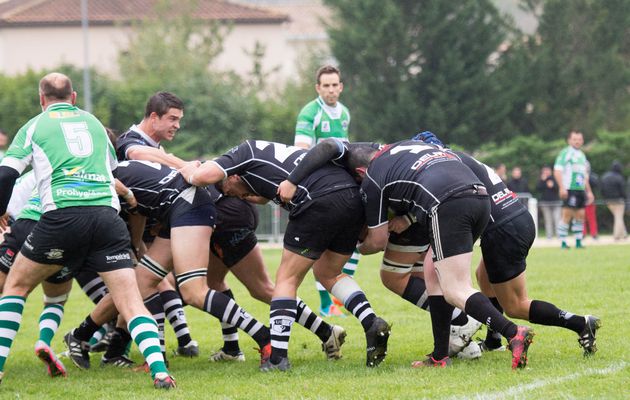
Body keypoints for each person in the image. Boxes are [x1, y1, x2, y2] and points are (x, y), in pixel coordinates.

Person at [0, 72, 174, 388]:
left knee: (15, 287)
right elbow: (112, 175)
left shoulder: (36, 125)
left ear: (42, 100)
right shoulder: (94, 123)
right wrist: (131, 199)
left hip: (62, 217)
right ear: (74, 97)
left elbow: (6, 174)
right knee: (131, 302)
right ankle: (160, 372)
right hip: (107, 218)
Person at [179, 140, 391, 371]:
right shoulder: (269, 159)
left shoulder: (243, 152)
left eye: (229, 191)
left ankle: (277, 358)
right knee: (328, 273)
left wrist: (189, 170)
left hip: (316, 198)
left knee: (286, 280)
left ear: (233, 175)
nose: (236, 196)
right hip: (351, 198)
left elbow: (203, 176)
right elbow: (262, 193)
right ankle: (370, 322)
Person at [339, 139, 534, 369]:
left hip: (449, 204)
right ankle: (439, 356)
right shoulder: (406, 146)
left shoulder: (372, 177)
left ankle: (513, 333)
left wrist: (352, 247)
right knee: (433, 274)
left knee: (455, 288)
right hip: (480, 197)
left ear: (361, 171)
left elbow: (377, 241)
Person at [116, 92, 199, 357]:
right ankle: (93, 339)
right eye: (172, 119)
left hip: (143, 228)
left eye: (179, 119)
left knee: (153, 283)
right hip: (123, 229)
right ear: (154, 117)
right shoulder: (131, 141)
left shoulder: (157, 147)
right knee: (141, 287)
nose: (177, 125)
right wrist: (183, 165)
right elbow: (139, 154)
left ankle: (110, 344)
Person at [294, 65, 354, 317]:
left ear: (340, 86)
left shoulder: (344, 112)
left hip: (341, 182)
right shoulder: (310, 112)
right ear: (318, 88)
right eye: (326, 85)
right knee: (321, 247)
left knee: (353, 244)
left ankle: (338, 302)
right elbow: (301, 150)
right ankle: (325, 303)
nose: (331, 90)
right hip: (319, 185)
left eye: (334, 85)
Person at [554, 130, 594, 249]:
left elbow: (584, 175)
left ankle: (578, 242)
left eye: (579, 139)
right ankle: (563, 242)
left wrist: (589, 191)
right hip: (569, 189)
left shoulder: (582, 155)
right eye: (575, 139)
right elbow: (557, 170)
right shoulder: (565, 153)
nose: (577, 141)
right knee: (567, 215)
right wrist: (561, 187)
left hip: (580, 189)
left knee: (581, 215)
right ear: (569, 140)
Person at [601, 160, 627, 240]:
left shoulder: (605, 176)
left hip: (608, 200)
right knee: (618, 217)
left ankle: (624, 234)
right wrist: (625, 198)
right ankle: (617, 236)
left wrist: (605, 198)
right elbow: (622, 191)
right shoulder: (619, 177)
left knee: (617, 216)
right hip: (618, 200)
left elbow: (602, 189)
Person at [536, 166, 561, 239]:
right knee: (548, 220)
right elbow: (538, 188)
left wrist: (553, 186)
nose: (546, 172)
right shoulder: (541, 180)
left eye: (547, 170)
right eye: (544, 171)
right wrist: (542, 180)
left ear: (550, 171)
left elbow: (559, 188)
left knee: (557, 219)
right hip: (545, 203)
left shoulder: (555, 178)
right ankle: (549, 236)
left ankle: (559, 235)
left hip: (556, 202)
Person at [582, 161, 599, 239]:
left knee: (591, 217)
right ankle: (582, 233)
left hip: (590, 200)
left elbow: (596, 184)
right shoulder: (578, 176)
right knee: (581, 218)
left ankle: (594, 233)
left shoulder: (592, 176)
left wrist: (588, 177)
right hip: (581, 199)